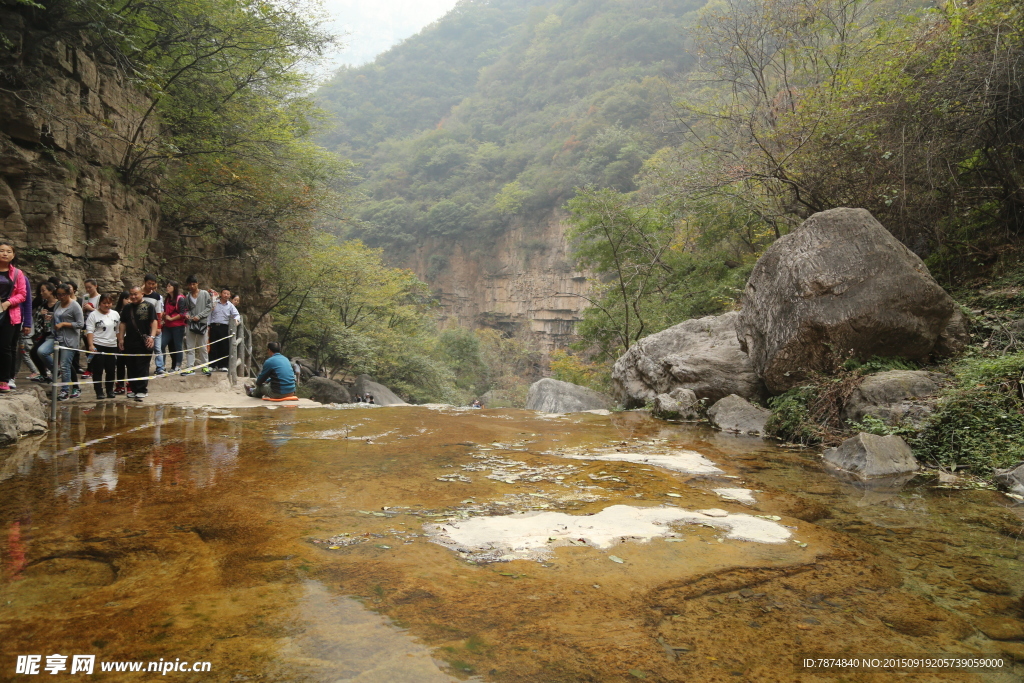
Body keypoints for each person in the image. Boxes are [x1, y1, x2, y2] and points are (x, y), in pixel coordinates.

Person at [39, 284, 84, 400]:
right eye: (58, 294)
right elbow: (57, 317)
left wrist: (64, 324)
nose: (61, 296)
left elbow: (80, 324)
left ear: (69, 294)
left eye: (63, 294)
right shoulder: (58, 304)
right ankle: (56, 370)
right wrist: (50, 317)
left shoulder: (75, 306)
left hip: (69, 340)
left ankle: (64, 391)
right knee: (41, 351)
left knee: (65, 366)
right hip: (56, 337)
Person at [117, 286, 157, 401]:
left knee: (142, 366)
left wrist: (152, 337)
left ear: (142, 294)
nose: (133, 296)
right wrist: (121, 339)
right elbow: (123, 323)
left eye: (136, 294)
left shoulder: (149, 306)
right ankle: (133, 389)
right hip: (130, 341)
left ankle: (141, 390)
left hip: (144, 342)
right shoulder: (127, 308)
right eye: (131, 294)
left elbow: (154, 321)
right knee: (131, 366)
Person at [0, 242, 28, 392]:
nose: (5, 254)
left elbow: (22, 294)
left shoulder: (17, 273)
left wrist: (8, 303)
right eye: (1, 251)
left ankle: (4, 379)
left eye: (8, 251)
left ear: (13, 255)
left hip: (10, 314)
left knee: (5, 346)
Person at [86, 294, 119, 399]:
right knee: (98, 369)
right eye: (104, 303)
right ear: (100, 303)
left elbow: (118, 329)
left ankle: (110, 390)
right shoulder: (93, 315)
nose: (107, 305)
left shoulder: (115, 314)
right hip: (98, 344)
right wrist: (91, 345)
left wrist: (120, 341)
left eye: (109, 303)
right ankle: (99, 391)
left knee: (111, 369)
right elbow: (89, 330)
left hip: (112, 344)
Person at [182, 275, 212, 375]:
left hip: (202, 323)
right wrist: (187, 315)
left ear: (197, 284)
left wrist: (199, 316)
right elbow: (186, 309)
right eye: (190, 284)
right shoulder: (187, 296)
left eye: (194, 284)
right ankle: (190, 367)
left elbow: (209, 307)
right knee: (190, 346)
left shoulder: (205, 294)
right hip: (190, 324)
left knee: (202, 346)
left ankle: (205, 367)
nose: (192, 286)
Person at [29, 283, 56, 383]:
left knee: (41, 352)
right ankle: (44, 375)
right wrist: (41, 315)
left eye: (43, 290)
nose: (41, 293)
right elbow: (37, 319)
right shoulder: (43, 305)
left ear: (51, 291)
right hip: (45, 333)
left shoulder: (58, 305)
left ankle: (56, 370)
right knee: (33, 352)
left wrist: (53, 316)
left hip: (56, 335)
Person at [208, 288, 240, 372]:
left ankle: (223, 365)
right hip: (214, 326)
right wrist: (208, 325)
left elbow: (237, 315)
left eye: (228, 294)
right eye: (224, 293)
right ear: (221, 294)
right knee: (213, 345)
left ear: (229, 296)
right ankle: (212, 365)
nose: (226, 295)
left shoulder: (230, 305)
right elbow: (209, 314)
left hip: (224, 327)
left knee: (224, 346)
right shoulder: (214, 303)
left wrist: (236, 320)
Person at [142, 274, 165, 375]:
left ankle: (160, 367)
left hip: (154, 325)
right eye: (149, 283)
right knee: (143, 348)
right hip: (142, 325)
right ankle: (144, 367)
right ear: (145, 282)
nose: (151, 286)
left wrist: (159, 327)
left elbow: (158, 312)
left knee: (157, 348)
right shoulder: (139, 294)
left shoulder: (157, 296)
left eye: (153, 284)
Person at [161, 281, 186, 373]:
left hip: (178, 326)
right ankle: (162, 365)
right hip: (167, 326)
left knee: (178, 346)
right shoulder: (167, 299)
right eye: (167, 286)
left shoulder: (180, 299)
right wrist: (164, 316)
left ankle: (178, 365)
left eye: (169, 286)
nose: (167, 288)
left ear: (174, 287)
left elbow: (182, 313)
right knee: (162, 344)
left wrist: (172, 319)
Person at [113, 290, 131, 393]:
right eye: (126, 298)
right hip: (119, 339)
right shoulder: (116, 313)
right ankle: (120, 385)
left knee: (130, 363)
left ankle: (130, 384)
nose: (128, 301)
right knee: (120, 363)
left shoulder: (133, 310)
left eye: (129, 298)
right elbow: (116, 328)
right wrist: (119, 339)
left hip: (130, 339)